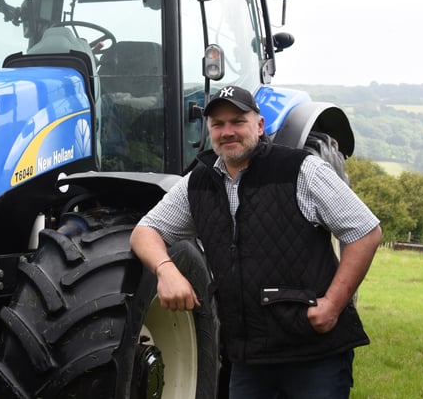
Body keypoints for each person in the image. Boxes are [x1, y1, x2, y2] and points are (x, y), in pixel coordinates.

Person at [130, 85, 382, 398]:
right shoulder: (198, 183)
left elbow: (365, 231)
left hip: (313, 353)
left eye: (238, 121)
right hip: (249, 358)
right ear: (209, 131)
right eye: (218, 124)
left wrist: (333, 304)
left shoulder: (301, 170)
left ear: (259, 125)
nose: (227, 132)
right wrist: (166, 269)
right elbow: (145, 231)